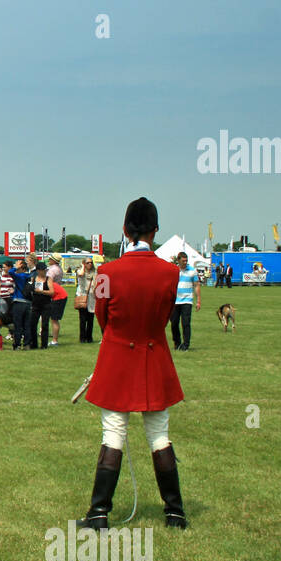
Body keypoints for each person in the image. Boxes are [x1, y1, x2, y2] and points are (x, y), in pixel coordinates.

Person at [78, 197, 188, 530]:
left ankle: (99, 513)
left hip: (117, 358)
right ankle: (175, 512)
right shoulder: (171, 272)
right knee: (160, 436)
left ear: (125, 230)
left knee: (113, 435)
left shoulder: (107, 272)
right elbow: (167, 316)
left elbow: (101, 317)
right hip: (154, 358)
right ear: (155, 230)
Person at [171, 252, 200, 351]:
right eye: (183, 261)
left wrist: (198, 301)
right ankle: (177, 342)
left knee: (186, 323)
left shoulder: (192, 271)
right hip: (175, 301)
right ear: (178, 260)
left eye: (186, 260)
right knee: (174, 323)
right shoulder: (173, 270)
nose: (185, 262)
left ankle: (186, 345)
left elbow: (196, 285)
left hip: (187, 300)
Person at [45, 256, 67, 347]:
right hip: (60, 293)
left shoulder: (51, 271)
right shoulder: (59, 269)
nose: (49, 260)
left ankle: (54, 340)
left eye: (50, 259)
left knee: (54, 319)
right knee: (54, 319)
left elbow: (50, 289)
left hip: (58, 296)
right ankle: (54, 339)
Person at [75, 258, 98, 344]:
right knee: (82, 319)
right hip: (82, 296)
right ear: (84, 263)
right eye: (88, 263)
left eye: (91, 263)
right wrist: (83, 266)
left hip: (92, 297)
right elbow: (80, 274)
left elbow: (96, 283)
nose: (90, 264)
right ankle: (82, 338)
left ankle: (89, 337)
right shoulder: (80, 271)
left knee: (91, 318)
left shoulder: (95, 272)